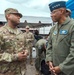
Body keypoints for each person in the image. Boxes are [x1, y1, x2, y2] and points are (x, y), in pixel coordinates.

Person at [46, 1, 74, 75]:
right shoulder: (53, 29)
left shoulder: (72, 26)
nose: (51, 15)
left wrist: (61, 68)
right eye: (51, 13)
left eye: (53, 12)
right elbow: (49, 46)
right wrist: (49, 60)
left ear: (61, 11)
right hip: (54, 70)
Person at [0, 8, 28, 75]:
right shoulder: (1, 32)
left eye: (19, 16)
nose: (19, 17)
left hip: (22, 71)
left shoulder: (21, 33)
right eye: (16, 15)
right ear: (8, 16)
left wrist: (26, 52)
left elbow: (26, 46)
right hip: (7, 72)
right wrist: (15, 57)